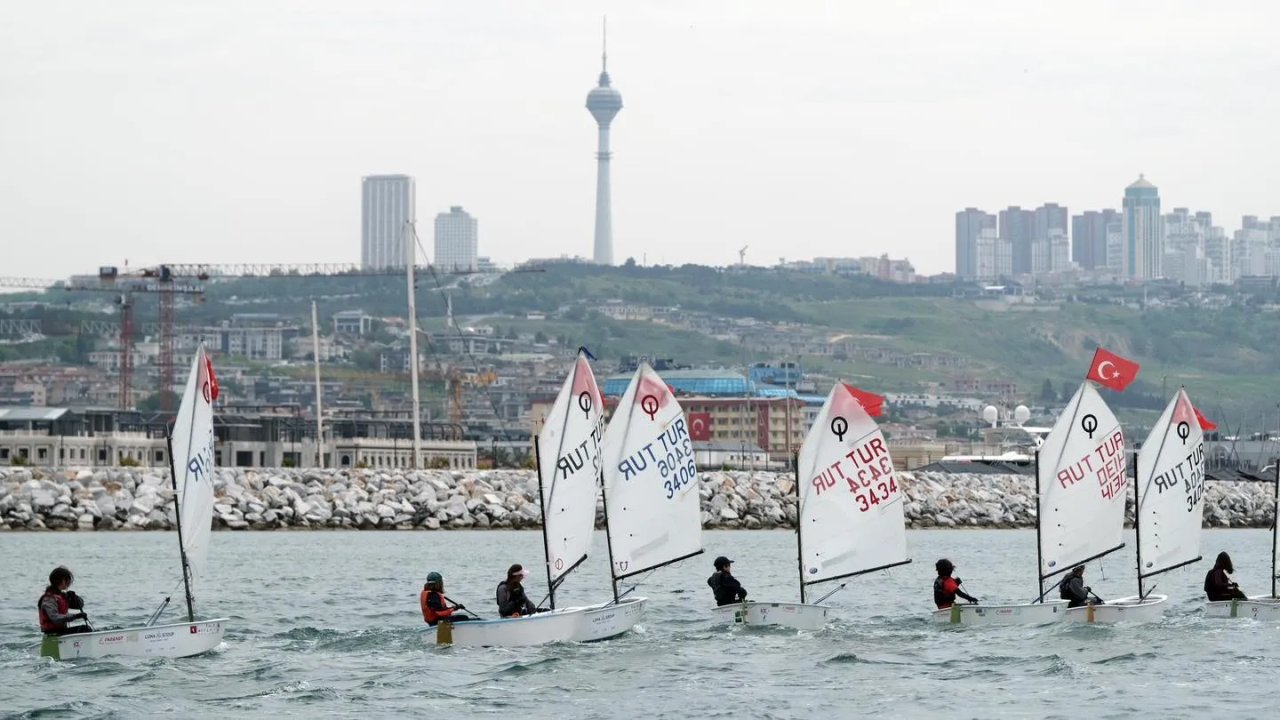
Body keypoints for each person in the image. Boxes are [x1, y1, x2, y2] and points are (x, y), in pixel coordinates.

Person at [38, 566, 90, 636]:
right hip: (52, 633)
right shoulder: (49, 599)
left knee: (86, 628)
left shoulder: (62, 596)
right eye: (67, 579)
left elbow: (80, 605)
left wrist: (75, 598)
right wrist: (75, 616)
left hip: (61, 631)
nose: (69, 582)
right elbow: (55, 618)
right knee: (85, 629)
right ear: (60, 580)